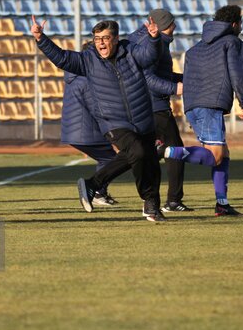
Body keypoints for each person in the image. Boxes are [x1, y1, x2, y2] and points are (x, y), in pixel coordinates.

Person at [32, 16, 167, 222]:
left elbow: (149, 56)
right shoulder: (88, 60)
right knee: (138, 152)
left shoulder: (131, 51)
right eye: (97, 39)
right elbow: (62, 58)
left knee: (150, 160)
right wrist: (41, 39)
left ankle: (149, 205)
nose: (101, 43)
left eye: (105, 38)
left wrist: (154, 38)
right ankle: (143, 199)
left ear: (115, 38)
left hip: (143, 118)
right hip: (114, 122)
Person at [163, 5, 243, 216]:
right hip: (209, 106)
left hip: (193, 105)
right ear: (234, 24)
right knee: (216, 156)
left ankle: (222, 203)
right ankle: (166, 151)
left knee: (223, 154)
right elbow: (238, 74)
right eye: (240, 22)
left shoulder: (194, 49)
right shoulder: (233, 43)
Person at [128, 8, 190, 212]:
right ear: (168, 25)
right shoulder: (157, 44)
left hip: (147, 105)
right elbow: (149, 78)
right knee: (176, 151)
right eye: (173, 23)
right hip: (156, 106)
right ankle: (173, 200)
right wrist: (175, 88)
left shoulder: (151, 41)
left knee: (147, 152)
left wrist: (185, 79)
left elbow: (161, 74)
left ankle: (99, 183)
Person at [61, 41, 117, 207]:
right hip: (85, 131)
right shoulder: (87, 79)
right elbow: (97, 108)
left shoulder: (74, 76)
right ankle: (97, 191)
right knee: (114, 159)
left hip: (75, 130)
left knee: (106, 158)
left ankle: (100, 191)